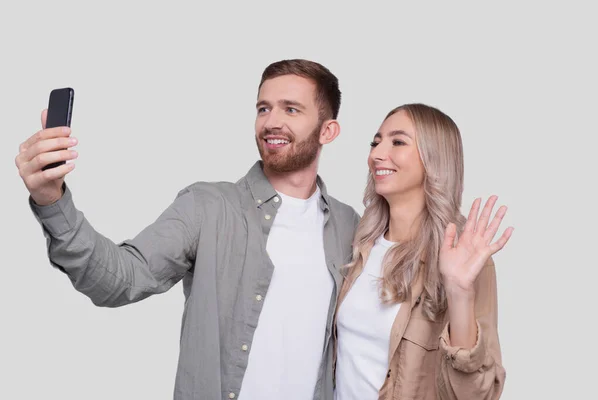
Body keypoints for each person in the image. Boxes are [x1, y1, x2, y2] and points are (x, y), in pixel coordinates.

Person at [15, 59, 360, 400]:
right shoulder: (207, 206)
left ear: (327, 131)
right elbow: (120, 280)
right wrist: (51, 199)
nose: (271, 122)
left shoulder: (350, 226)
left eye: (291, 110)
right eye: (263, 108)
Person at [333, 103, 513, 400]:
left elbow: (477, 394)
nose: (377, 154)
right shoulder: (360, 244)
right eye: (375, 142)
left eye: (398, 142)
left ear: (434, 159)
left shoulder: (464, 259)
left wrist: (459, 292)